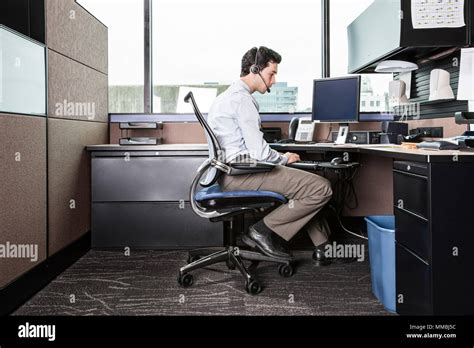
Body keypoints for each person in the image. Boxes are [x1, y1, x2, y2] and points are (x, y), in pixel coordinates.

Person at [207, 46, 335, 265]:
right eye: (271, 74)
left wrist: (283, 159)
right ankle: (261, 231)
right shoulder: (242, 100)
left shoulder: (226, 97)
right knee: (321, 187)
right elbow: (260, 153)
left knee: (307, 183)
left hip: (229, 173)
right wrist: (284, 158)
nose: (274, 81)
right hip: (240, 174)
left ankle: (325, 248)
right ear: (254, 69)